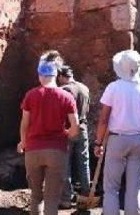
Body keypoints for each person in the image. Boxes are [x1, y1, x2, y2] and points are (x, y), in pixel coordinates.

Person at [94, 50, 140, 215]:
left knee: (111, 188)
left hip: (117, 140)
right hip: (139, 140)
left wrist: (98, 143)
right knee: (134, 187)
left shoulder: (113, 88)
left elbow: (103, 120)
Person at [18, 50, 80, 215]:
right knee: (52, 199)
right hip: (57, 151)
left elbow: (25, 124)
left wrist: (23, 142)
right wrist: (66, 134)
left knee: (36, 196)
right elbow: (76, 126)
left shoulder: (31, 95)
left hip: (32, 150)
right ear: (56, 74)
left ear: (40, 74)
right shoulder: (66, 97)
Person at [56, 65, 91, 209]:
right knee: (84, 163)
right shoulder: (85, 88)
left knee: (65, 165)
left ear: (61, 76)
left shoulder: (63, 90)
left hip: (67, 129)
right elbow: (87, 109)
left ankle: (65, 199)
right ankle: (86, 198)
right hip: (82, 128)